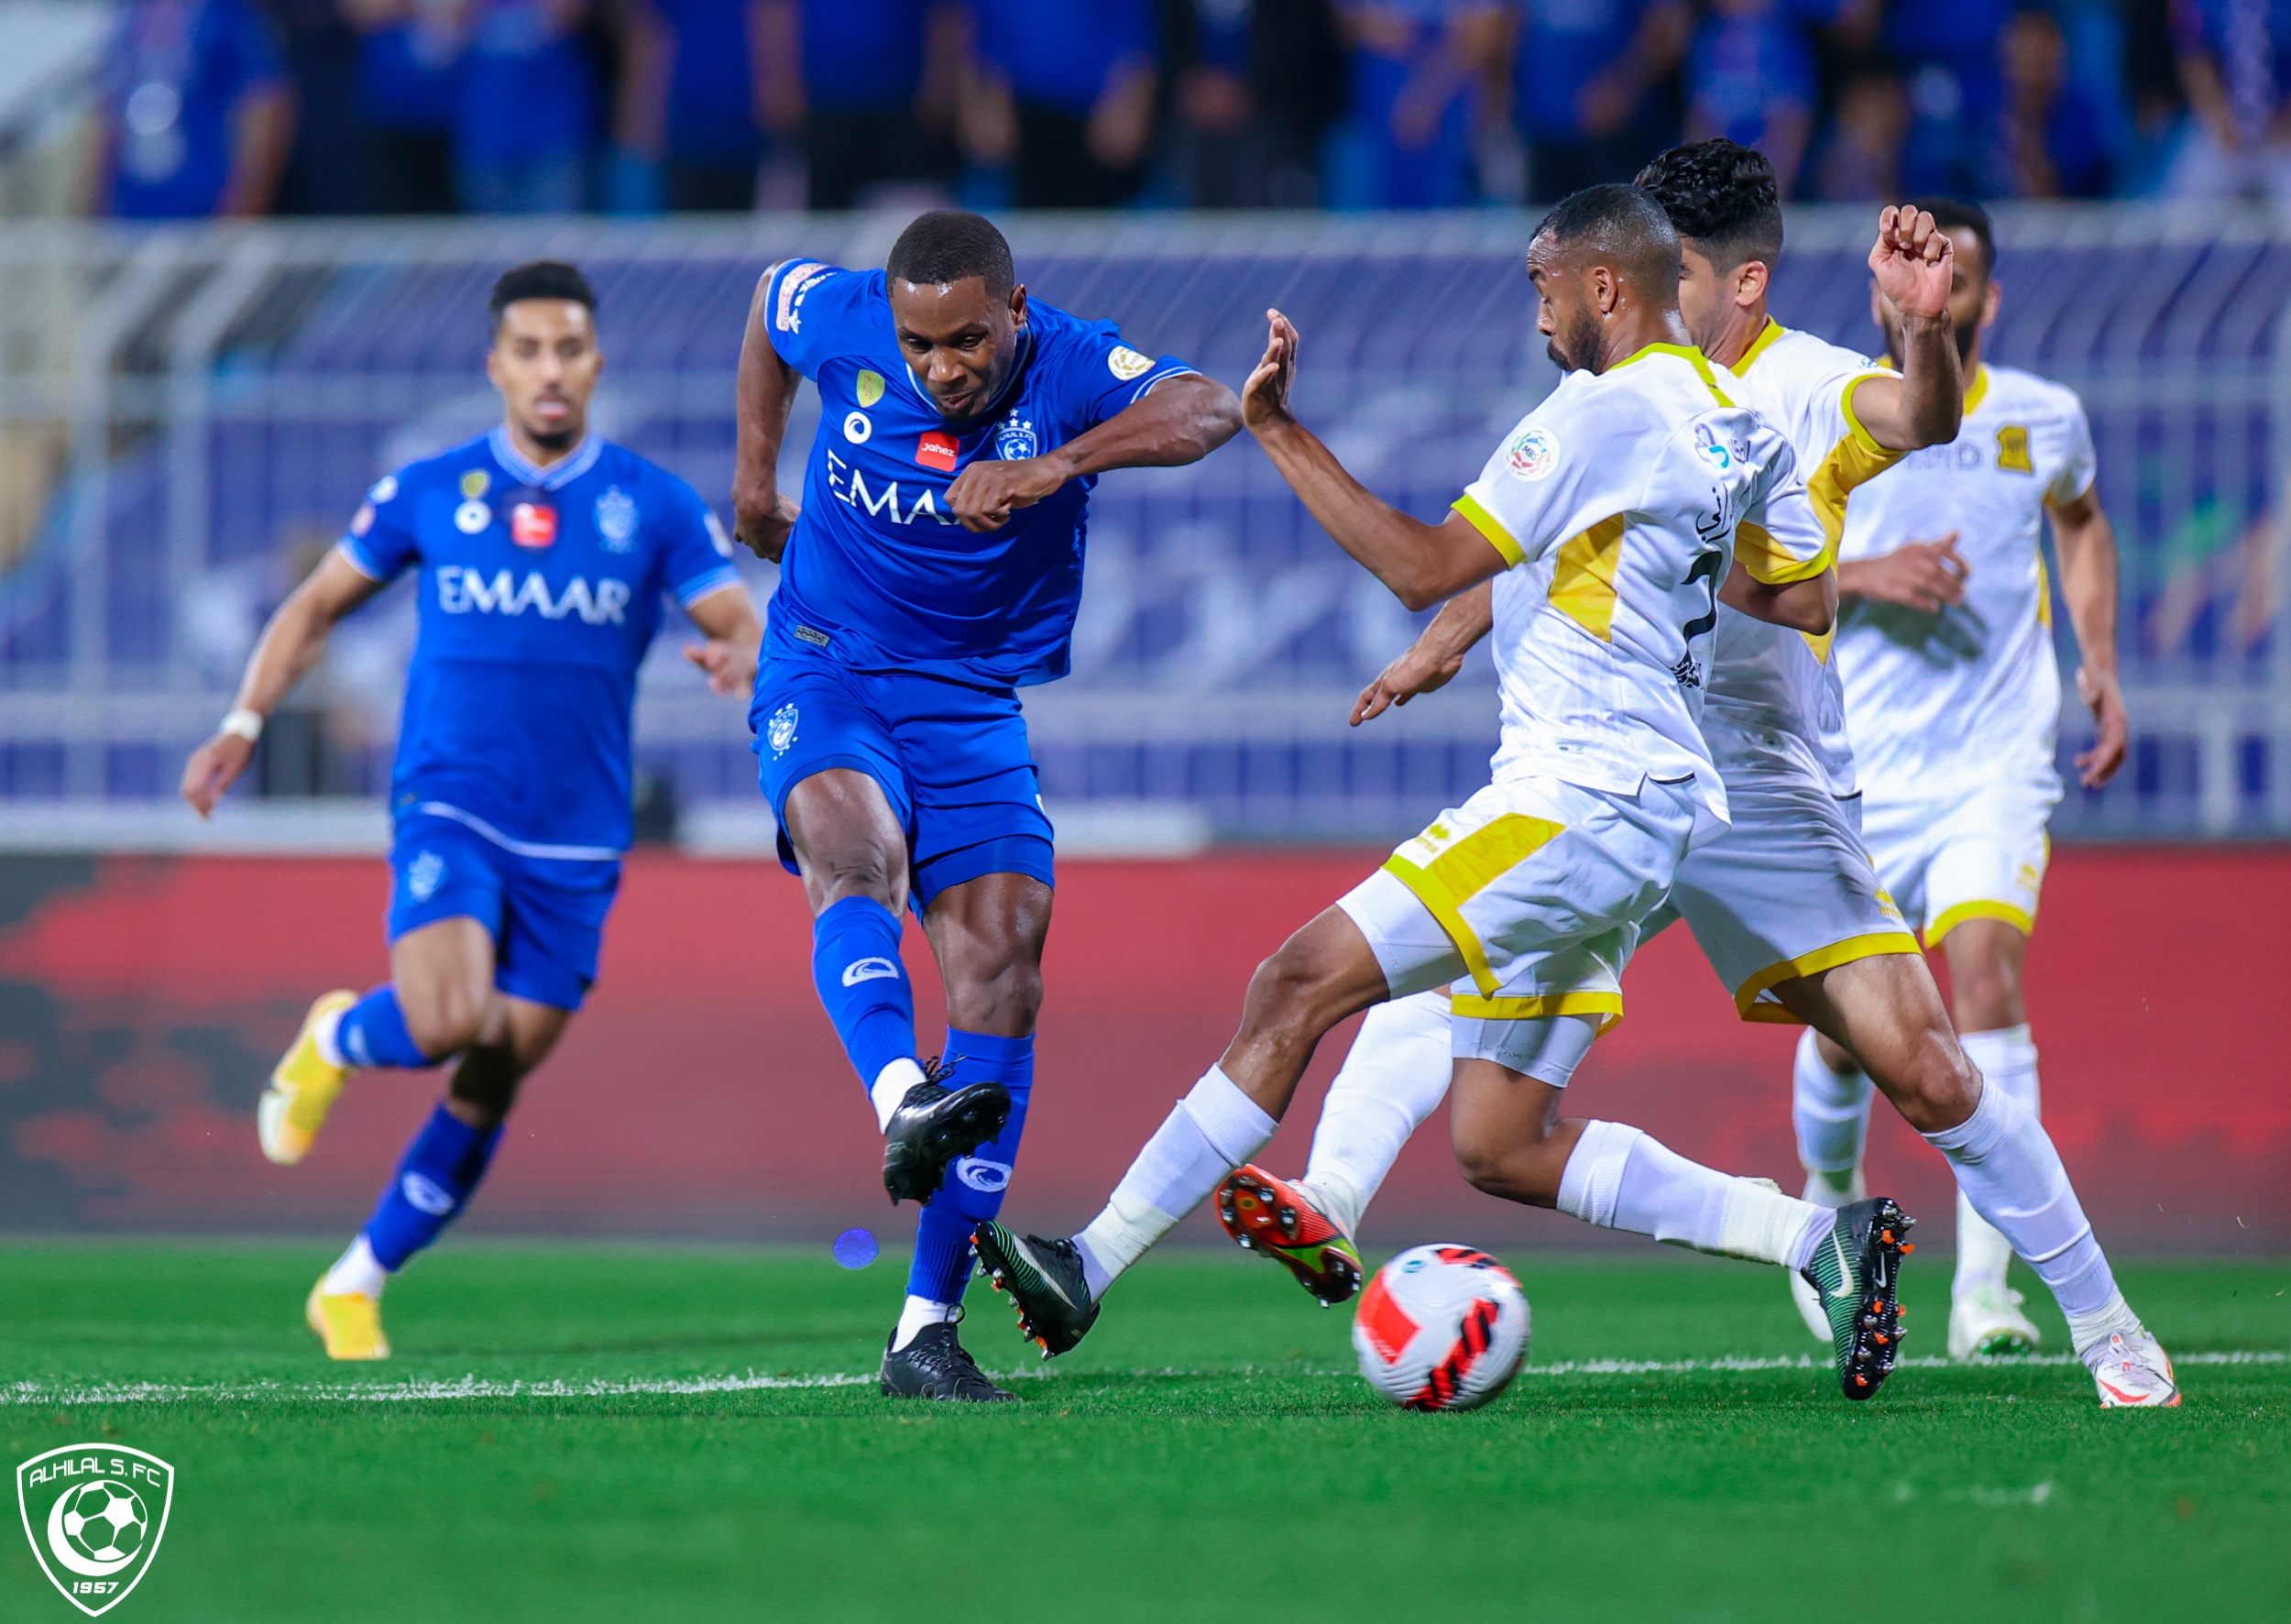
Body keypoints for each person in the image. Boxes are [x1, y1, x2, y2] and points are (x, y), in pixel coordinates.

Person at [1207, 146, 2180, 1409]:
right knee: (1443, 995)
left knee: (1925, 1065)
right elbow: (1535, 548)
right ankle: (1332, 1194)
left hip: (1761, 780)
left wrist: (1923, 335)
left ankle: (2108, 1330)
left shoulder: (1812, 383)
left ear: (1748, 283)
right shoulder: (1611, 393)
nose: (1652, 286)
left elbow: (1923, 418)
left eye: (1684, 270)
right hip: (1608, 769)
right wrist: (1449, 636)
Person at [978, 185, 1933, 1405]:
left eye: (1544, 290)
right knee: (1499, 1141)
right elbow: (1800, 599)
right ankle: (1817, 1239)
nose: (1537, 320)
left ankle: (1088, 1265)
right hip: (1654, 806)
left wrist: (1278, 431)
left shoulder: (1595, 414)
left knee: (1296, 979)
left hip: (1575, 797)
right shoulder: (1734, 423)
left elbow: (1422, 564)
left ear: (1603, 288)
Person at [180, 261, 763, 1360]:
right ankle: (341, 1033)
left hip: (580, 834)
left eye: (571, 349)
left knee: (493, 1070)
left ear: (596, 363)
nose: (552, 369)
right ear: (495, 364)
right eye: (530, 349)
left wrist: (741, 653)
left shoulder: (650, 504)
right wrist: (245, 723)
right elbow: (314, 606)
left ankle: (352, 1283)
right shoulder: (427, 490)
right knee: (443, 1015)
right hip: (453, 797)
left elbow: (739, 617)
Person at [728, 212, 1242, 1401]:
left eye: (965, 341)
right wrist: (756, 474)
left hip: (969, 703)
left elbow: (1209, 407)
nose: (940, 368)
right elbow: (767, 302)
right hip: (827, 663)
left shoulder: (1068, 363)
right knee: (855, 857)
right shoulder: (844, 310)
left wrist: (1060, 464)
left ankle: (923, 1333)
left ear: (1014, 312)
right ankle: (904, 1099)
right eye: (919, 346)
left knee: (1005, 966)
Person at [1803, 196, 2141, 1372]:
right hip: (1863, 775)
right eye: (1914, 273)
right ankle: (1831, 1191)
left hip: (1995, 766)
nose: (1932, 291)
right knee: (1851, 1040)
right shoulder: (1838, 413)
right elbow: (1755, 567)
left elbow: (2083, 525)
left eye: (1958, 276)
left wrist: (2097, 662)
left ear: (1983, 296)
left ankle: (1982, 1299)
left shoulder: (2045, 417)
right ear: (1884, 292)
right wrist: (1869, 571)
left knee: (1984, 979)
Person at [100, 0, 295, 219]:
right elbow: (109, 117)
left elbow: (264, 105)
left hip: (204, 215)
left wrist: (240, 212)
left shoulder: (227, 14)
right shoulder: (128, 14)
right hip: (130, 213)